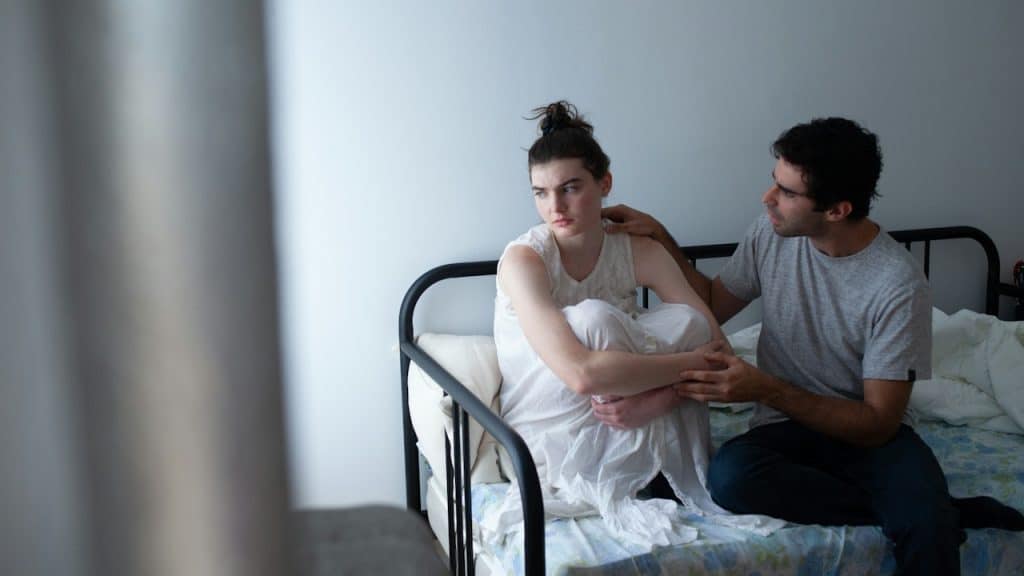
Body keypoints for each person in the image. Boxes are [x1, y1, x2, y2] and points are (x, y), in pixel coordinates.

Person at [601, 117, 1024, 575]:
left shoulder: (897, 284)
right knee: (731, 477)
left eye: (787, 192)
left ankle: (924, 513)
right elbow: (711, 306)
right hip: (783, 429)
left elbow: (878, 423)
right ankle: (937, 510)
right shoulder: (771, 234)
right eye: (774, 182)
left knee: (927, 532)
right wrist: (661, 238)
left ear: (837, 210)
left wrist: (764, 388)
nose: (767, 198)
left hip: (864, 433)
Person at [484, 101, 780, 549]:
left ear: (605, 183)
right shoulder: (525, 260)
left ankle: (646, 461)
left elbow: (716, 346)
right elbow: (580, 375)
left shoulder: (636, 250)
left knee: (688, 320)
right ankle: (625, 465)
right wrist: (681, 370)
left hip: (631, 404)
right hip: (549, 422)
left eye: (570, 188)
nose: (555, 207)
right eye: (540, 193)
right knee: (595, 317)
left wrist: (663, 398)